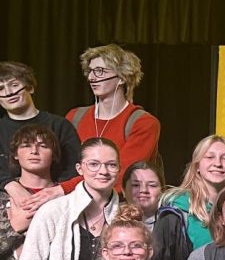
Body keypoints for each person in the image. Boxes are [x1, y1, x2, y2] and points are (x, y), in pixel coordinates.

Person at [62, 44, 161, 194]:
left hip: (120, 207)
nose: (91, 77)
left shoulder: (143, 123)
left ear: (122, 77)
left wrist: (63, 189)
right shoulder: (75, 117)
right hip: (74, 203)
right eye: (90, 71)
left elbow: (121, 174)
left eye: (99, 71)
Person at [0, 62, 81, 208]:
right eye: (1, 88)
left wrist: (54, 194)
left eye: (13, 85)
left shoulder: (59, 125)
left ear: (29, 87)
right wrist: (10, 185)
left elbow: (74, 167)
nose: (8, 93)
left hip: (57, 202)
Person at [5, 125, 61, 236]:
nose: (34, 151)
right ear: (16, 154)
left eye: (43, 146)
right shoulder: (4, 195)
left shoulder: (67, 196)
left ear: (53, 155)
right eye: (26, 146)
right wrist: (15, 227)